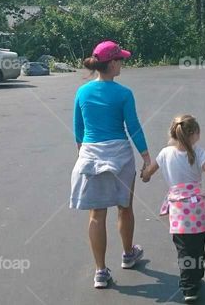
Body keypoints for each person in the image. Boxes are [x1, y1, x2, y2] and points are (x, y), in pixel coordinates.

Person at [70, 41, 150, 289]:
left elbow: (78, 130)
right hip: (120, 157)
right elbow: (133, 127)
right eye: (121, 60)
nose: (122, 64)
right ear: (112, 63)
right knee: (124, 207)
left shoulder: (82, 92)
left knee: (96, 214)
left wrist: (83, 153)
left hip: (91, 155)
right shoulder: (124, 93)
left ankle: (100, 271)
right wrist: (147, 158)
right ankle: (128, 254)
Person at [141, 115, 205, 303]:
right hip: (197, 208)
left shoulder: (165, 153)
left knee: (184, 248)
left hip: (178, 210)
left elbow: (149, 173)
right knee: (198, 245)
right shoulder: (198, 152)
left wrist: (144, 175)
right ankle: (197, 275)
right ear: (193, 134)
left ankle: (188, 287)